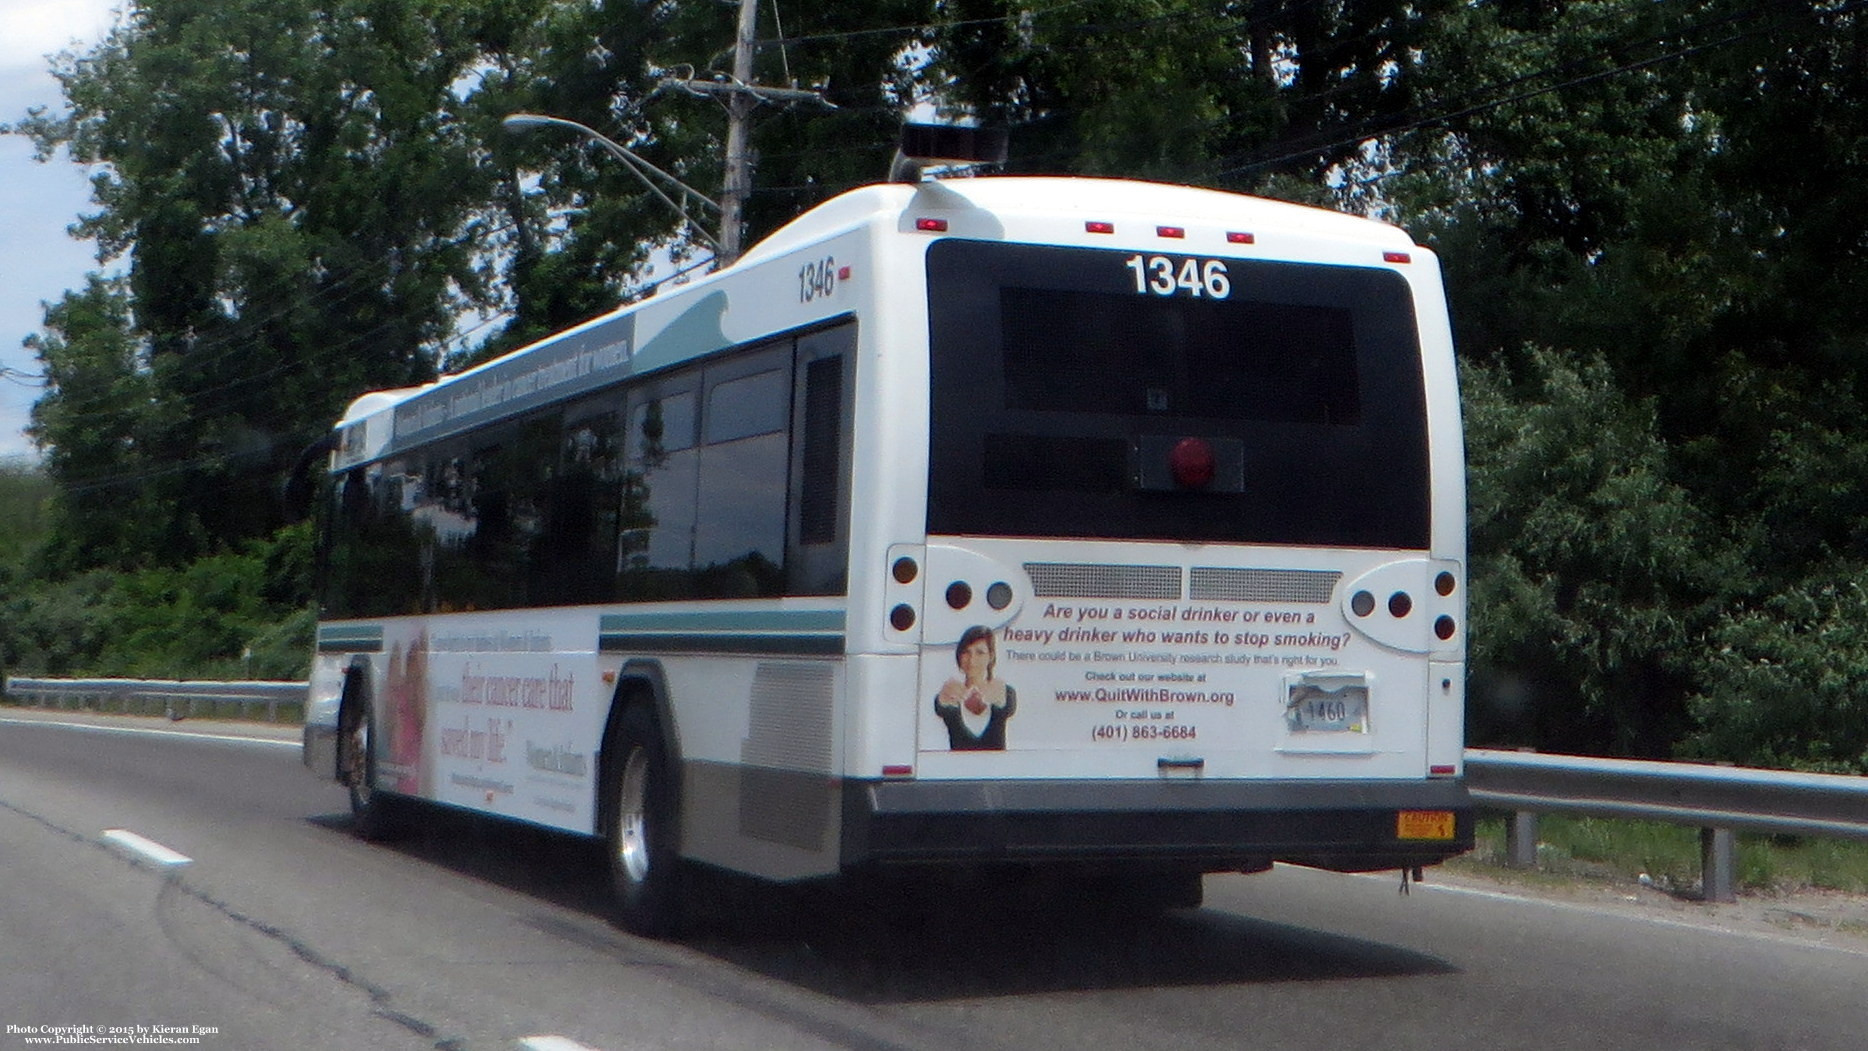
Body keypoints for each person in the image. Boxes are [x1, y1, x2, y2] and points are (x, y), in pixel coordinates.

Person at [934, 625, 1016, 750]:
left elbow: (1007, 705)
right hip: (957, 767)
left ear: (991, 656)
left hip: (997, 768)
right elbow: (940, 706)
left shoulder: (1004, 692)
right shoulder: (950, 695)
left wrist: (999, 697)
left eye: (980, 653)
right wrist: (943, 699)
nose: (972, 660)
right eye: (966, 652)